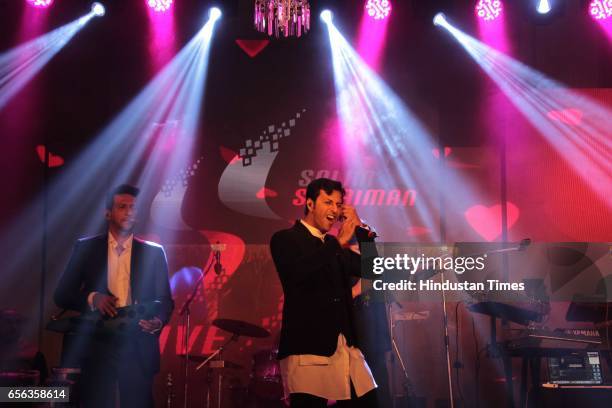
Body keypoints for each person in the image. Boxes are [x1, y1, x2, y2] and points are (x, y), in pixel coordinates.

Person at [54, 184, 174, 408]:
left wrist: (157, 322)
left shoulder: (154, 252)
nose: (129, 212)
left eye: (133, 207)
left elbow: (166, 301)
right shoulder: (86, 248)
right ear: (108, 212)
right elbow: (61, 295)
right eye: (122, 207)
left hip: (137, 342)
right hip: (97, 343)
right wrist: (93, 298)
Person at [270, 178, 378, 408]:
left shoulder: (333, 245)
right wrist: (338, 242)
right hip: (308, 348)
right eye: (328, 202)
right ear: (310, 203)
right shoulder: (285, 239)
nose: (334, 209)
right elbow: (297, 273)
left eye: (338, 204)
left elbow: (372, 269)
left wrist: (363, 233)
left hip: (346, 347)